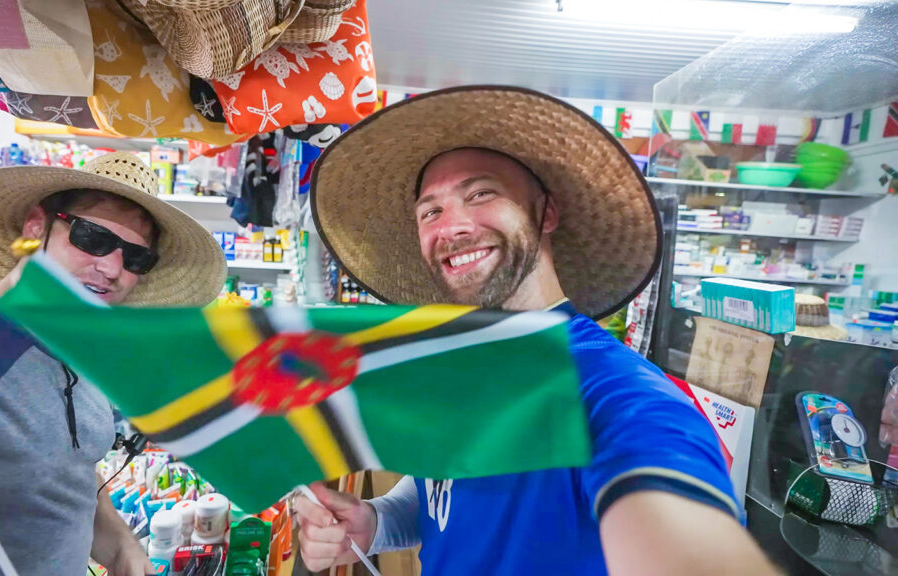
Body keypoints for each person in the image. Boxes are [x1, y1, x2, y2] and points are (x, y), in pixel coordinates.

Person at [296, 86, 778, 575]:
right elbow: (449, 497)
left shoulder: (614, 393)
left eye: (481, 194)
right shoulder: (457, 369)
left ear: (545, 213)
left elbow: (680, 528)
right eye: (431, 211)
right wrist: (375, 522)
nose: (452, 226)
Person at [0, 152, 226, 576]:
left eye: (136, 258)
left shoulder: (89, 349)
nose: (112, 267)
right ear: (35, 226)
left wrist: (121, 548)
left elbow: (68, 476)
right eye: (93, 237)